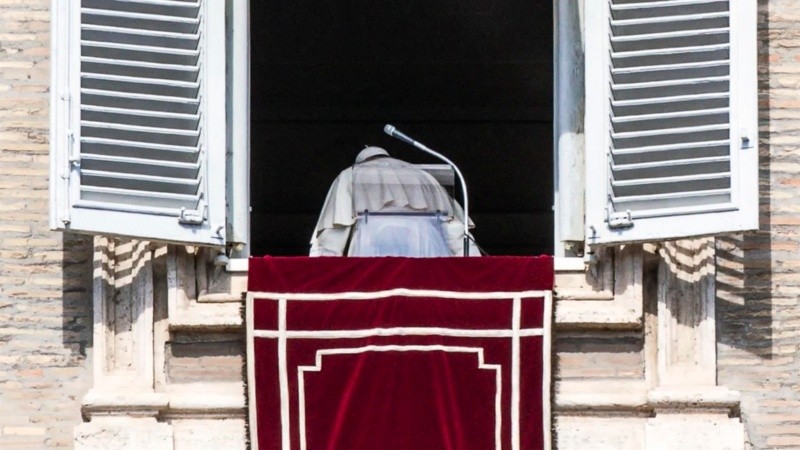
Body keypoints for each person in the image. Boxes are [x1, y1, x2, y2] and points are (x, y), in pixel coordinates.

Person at [309, 146, 480, 257]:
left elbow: (334, 231)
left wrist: (320, 272)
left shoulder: (350, 174)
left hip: (375, 243)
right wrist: (473, 265)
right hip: (426, 244)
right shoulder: (425, 176)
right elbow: (455, 231)